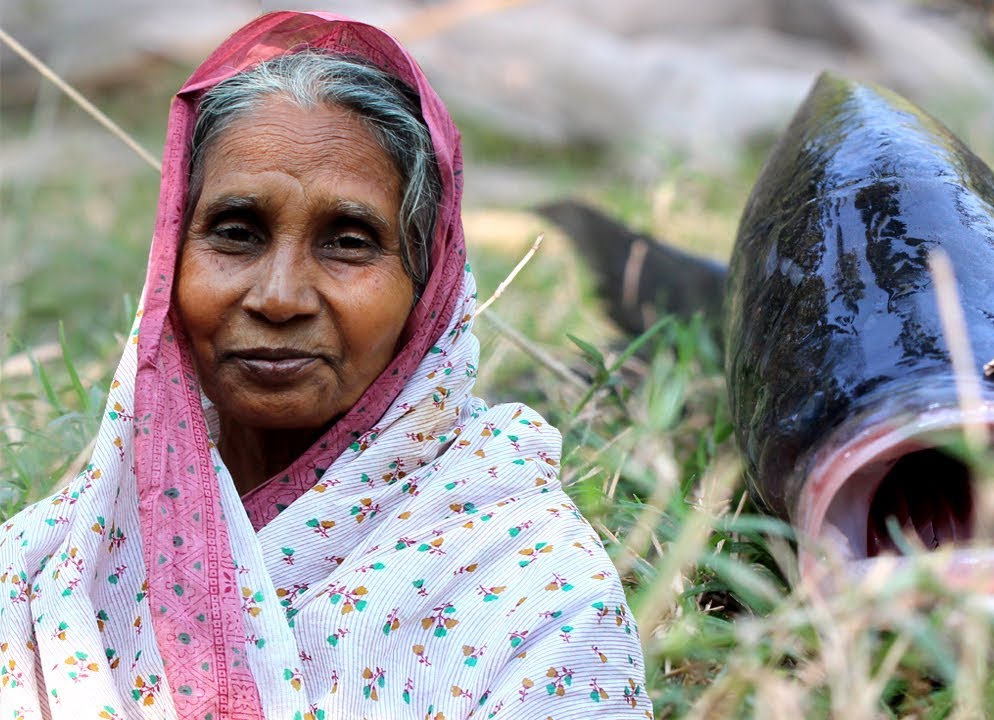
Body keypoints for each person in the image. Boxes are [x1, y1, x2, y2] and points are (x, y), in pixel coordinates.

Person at [0, 12, 650, 720]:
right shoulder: (50, 566)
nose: (279, 297)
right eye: (236, 232)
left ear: (428, 290)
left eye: (348, 240)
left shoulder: (535, 594)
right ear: (170, 259)